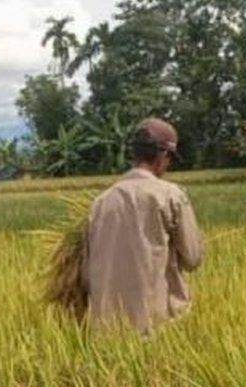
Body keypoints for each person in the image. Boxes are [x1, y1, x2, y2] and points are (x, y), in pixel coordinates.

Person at [83, 117, 205, 333]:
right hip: (156, 327)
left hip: (105, 331)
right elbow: (193, 259)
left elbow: (85, 274)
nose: (168, 165)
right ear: (162, 155)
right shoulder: (170, 196)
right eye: (169, 158)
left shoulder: (100, 203)